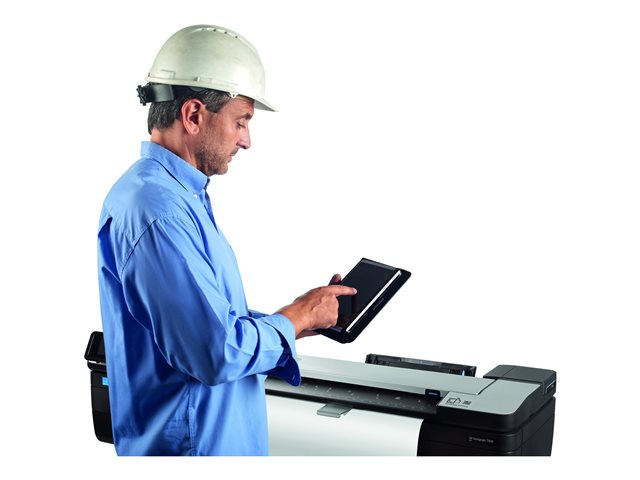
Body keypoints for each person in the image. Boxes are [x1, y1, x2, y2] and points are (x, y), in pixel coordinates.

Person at [97, 24, 356, 456]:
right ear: (193, 115)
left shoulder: (174, 197)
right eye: (241, 121)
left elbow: (208, 324)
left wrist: (300, 320)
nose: (246, 141)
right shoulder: (158, 211)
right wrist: (293, 318)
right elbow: (213, 352)